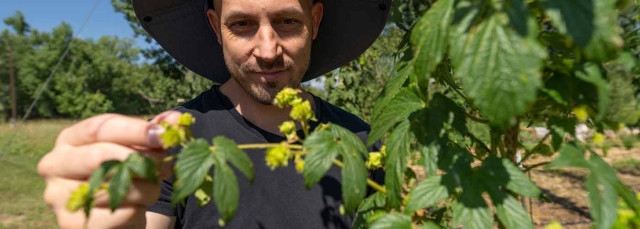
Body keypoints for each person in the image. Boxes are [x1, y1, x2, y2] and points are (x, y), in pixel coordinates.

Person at [37, 0, 390, 228]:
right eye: (242, 25)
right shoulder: (173, 142)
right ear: (214, 26)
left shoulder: (362, 141)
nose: (268, 51)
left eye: (286, 21)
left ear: (314, 20)